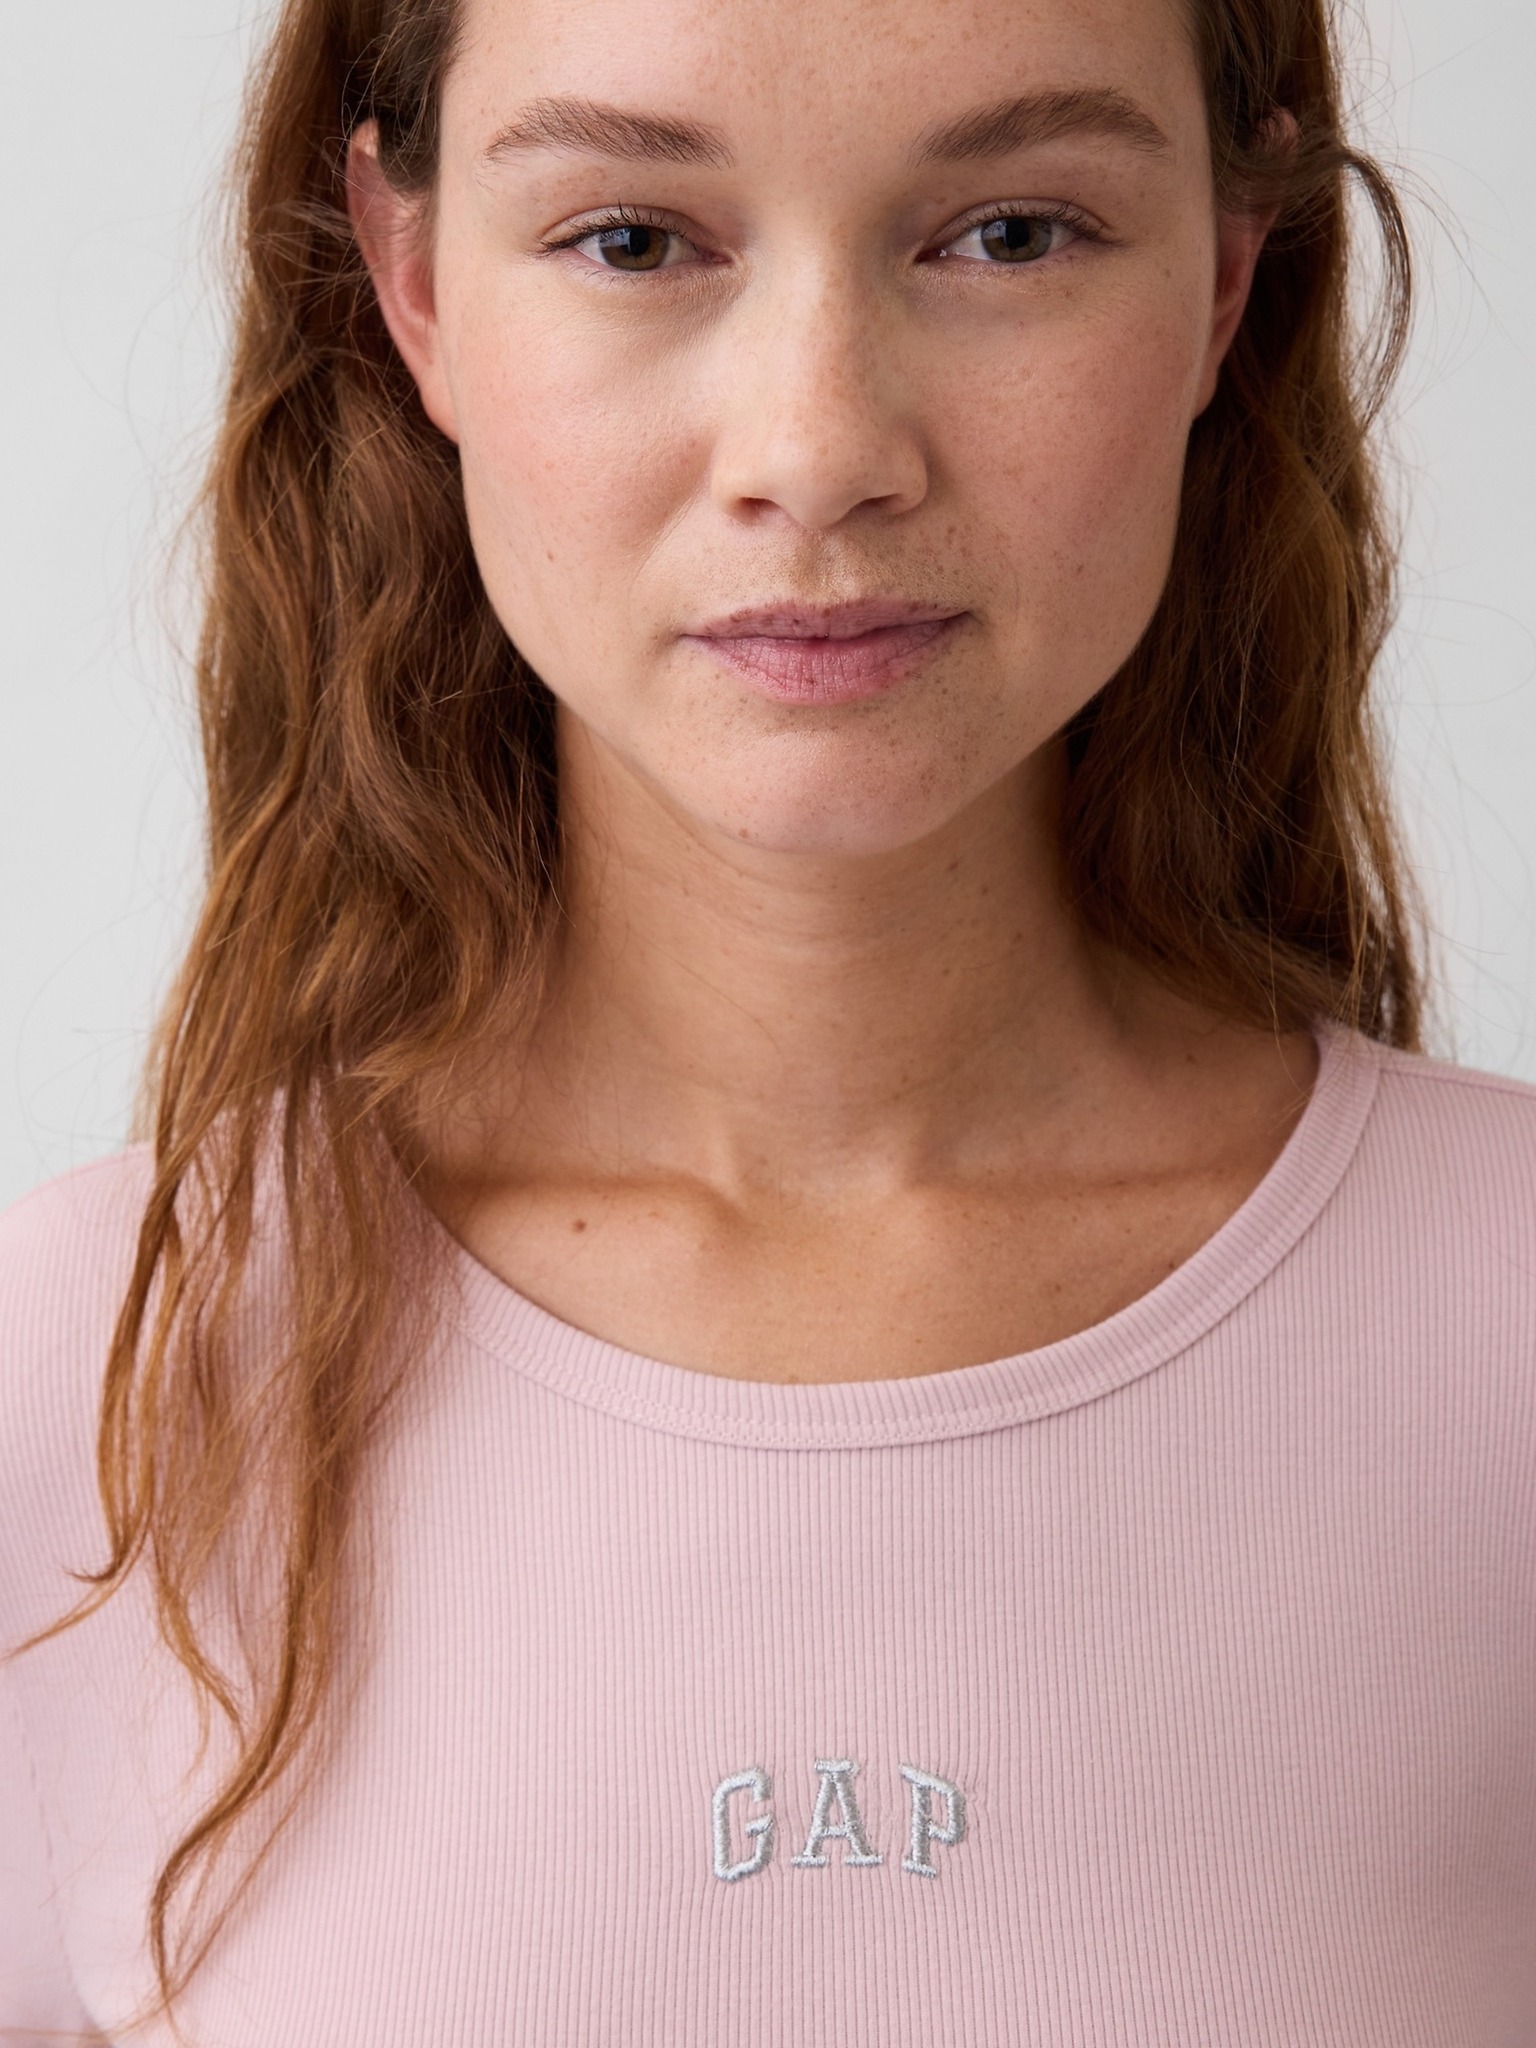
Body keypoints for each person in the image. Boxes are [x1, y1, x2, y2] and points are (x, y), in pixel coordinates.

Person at [4, 0, 1535, 2039]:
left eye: (1011, 234)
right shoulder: (78, 1393)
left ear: (1226, 279)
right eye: (634, 238)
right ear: (413, 279)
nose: (819, 450)